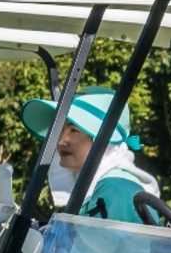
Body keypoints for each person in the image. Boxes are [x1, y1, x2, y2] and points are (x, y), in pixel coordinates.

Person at [19, 87, 163, 222]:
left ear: (104, 140)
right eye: (61, 130)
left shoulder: (117, 189)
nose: (61, 141)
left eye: (74, 130)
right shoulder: (100, 188)